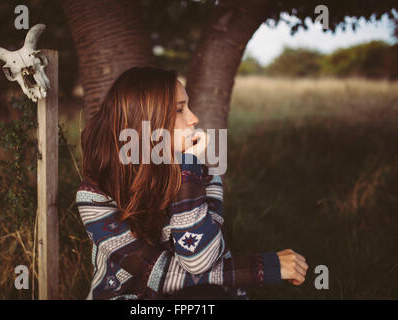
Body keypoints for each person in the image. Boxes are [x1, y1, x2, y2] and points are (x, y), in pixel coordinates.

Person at [76, 66, 308, 300]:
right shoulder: (96, 193)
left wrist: (188, 169)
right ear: (147, 121)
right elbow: (159, 274)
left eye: (188, 106)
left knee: (205, 295)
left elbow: (200, 261)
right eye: (179, 110)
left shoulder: (203, 174)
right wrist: (262, 268)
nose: (193, 118)